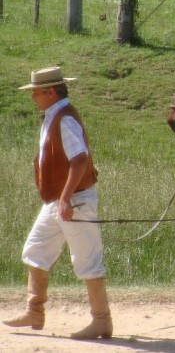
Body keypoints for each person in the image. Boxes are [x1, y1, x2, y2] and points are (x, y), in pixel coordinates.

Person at [2, 67, 113, 340]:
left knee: (87, 259)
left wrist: (65, 197)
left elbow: (80, 159)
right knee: (36, 249)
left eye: (36, 93)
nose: (33, 98)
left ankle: (102, 321)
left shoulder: (64, 119)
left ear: (50, 92)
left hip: (74, 200)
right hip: (58, 200)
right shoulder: (55, 116)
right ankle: (34, 311)